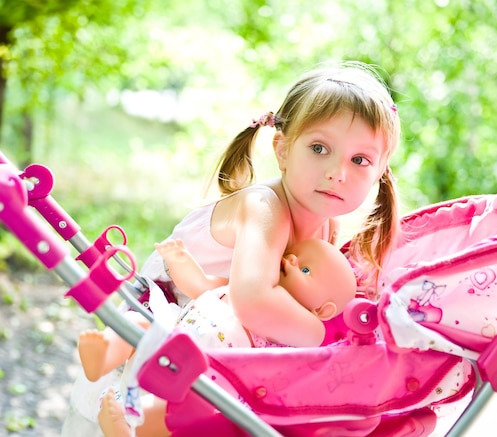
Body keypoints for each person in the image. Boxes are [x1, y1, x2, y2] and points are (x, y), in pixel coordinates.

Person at [65, 59, 402, 436]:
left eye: (359, 160)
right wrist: (321, 335)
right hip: (161, 327)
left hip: (210, 347)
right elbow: (253, 300)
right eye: (320, 148)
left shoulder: (326, 226)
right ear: (284, 149)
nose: (338, 172)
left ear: (379, 172)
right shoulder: (265, 208)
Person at [84, 237, 357, 437]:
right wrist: (181, 262)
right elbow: (200, 285)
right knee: (139, 323)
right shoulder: (245, 285)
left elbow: (310, 339)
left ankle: (128, 426)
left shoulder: (303, 329)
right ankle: (105, 354)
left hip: (201, 380)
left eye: (306, 270)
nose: (290, 261)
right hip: (171, 335)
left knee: (177, 408)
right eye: (291, 254)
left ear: (322, 309)